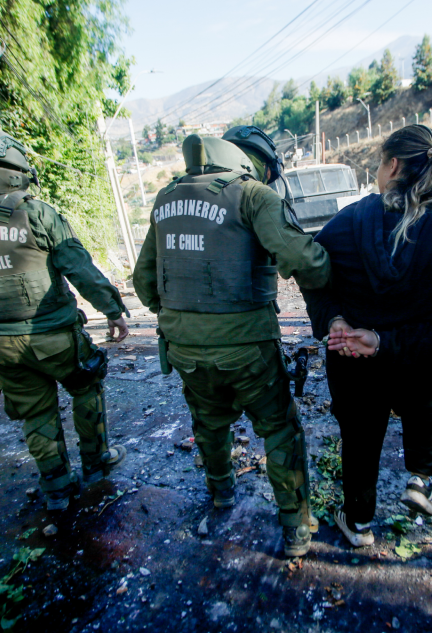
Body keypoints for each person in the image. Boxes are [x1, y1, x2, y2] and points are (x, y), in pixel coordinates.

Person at [132, 133, 330, 557]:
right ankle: (295, 527)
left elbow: (144, 282)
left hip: (182, 346)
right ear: (256, 162)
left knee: (209, 421)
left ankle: (222, 493)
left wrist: (182, 320)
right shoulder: (252, 195)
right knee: (279, 428)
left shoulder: (165, 199)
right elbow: (304, 261)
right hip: (247, 347)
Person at [301, 125, 432, 548]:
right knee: (423, 402)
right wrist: (389, 341)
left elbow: (313, 273)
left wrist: (333, 320)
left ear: (393, 165)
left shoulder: (346, 224)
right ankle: (420, 480)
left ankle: (359, 523)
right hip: (419, 367)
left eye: (380, 163)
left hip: (354, 363)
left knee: (360, 435)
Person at [0, 128, 129, 511]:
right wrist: (113, 310)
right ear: (10, 166)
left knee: (34, 412)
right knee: (86, 388)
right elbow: (79, 267)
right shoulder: (34, 211)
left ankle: (56, 486)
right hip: (54, 336)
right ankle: (97, 462)